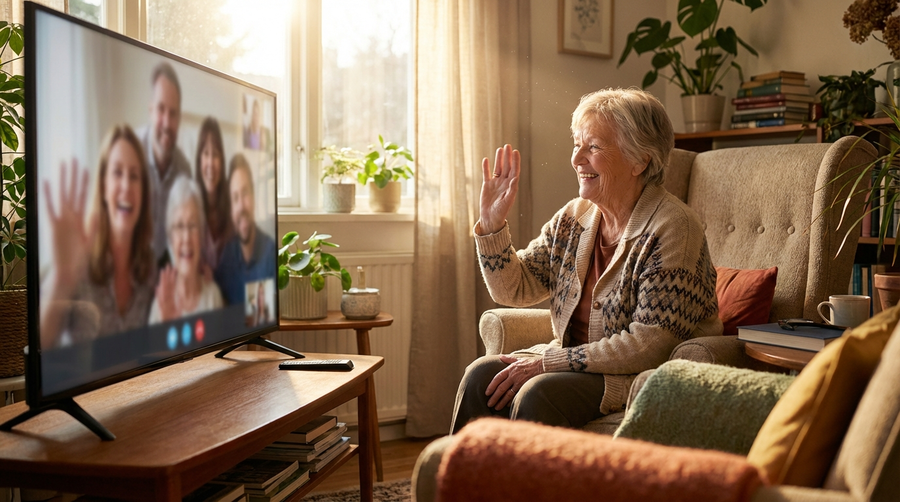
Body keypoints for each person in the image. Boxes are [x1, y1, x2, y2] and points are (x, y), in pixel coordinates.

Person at [450, 88, 721, 434]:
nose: (577, 159)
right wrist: (491, 225)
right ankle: (458, 486)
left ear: (640, 160)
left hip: (631, 376)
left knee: (537, 394)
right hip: (574, 365)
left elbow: (649, 345)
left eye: (593, 147)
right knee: (479, 378)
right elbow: (515, 288)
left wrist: (549, 363)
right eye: (577, 144)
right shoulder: (575, 217)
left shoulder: (673, 228)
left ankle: (521, 488)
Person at [40, 125, 156, 348]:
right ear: (103, 185)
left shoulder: (151, 269)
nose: (125, 186)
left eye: (134, 176)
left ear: (144, 191)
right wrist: (62, 279)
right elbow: (40, 345)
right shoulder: (79, 259)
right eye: (117, 172)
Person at [148, 177, 224, 323]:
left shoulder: (213, 297)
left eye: (192, 225)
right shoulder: (160, 304)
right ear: (170, 238)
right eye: (179, 226)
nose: (186, 237)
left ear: (201, 234)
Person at [140, 61, 191, 263]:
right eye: (161, 109)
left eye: (173, 113)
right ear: (151, 110)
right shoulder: (131, 156)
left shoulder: (185, 171)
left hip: (168, 272)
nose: (167, 123)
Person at [214, 153, 277, 305]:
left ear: (254, 197)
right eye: (235, 198)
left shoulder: (270, 255)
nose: (241, 206)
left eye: (245, 193)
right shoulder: (226, 257)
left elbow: (262, 318)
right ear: (231, 209)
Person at [195, 116, 233, 271]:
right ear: (199, 160)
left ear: (222, 160)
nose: (210, 163)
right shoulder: (190, 206)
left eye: (215, 154)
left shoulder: (232, 205)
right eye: (205, 153)